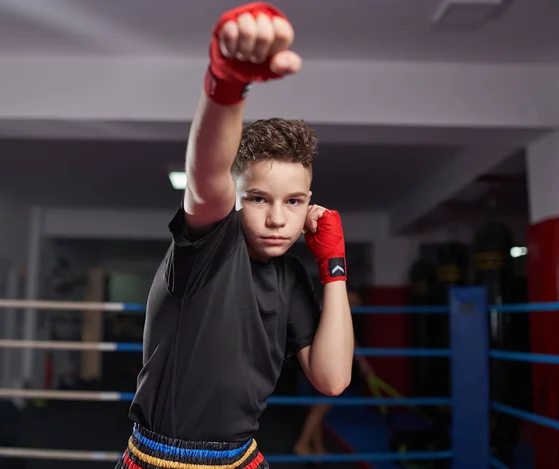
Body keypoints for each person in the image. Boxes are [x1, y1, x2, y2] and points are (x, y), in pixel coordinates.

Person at [115, 3, 355, 469]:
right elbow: (205, 176)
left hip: (243, 458)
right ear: (237, 198)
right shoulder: (209, 248)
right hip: (163, 460)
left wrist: (335, 267)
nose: (277, 220)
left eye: (294, 201)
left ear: (310, 203)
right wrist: (226, 85)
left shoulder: (289, 276)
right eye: (259, 199)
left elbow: (331, 378)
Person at [293, 290, 374, 458]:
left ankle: (317, 447)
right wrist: (364, 363)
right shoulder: (335, 310)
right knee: (321, 407)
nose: (356, 304)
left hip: (311, 359)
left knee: (317, 407)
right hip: (323, 363)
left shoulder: (327, 308)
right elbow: (352, 342)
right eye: (355, 300)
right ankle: (302, 444)